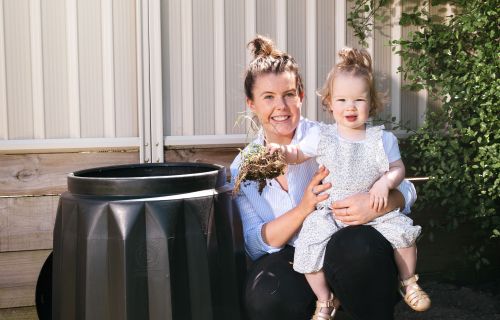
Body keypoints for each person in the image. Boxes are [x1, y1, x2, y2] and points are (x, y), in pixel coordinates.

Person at [230, 35, 417, 320]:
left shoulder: (331, 136)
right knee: (266, 294)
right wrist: (304, 208)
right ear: (252, 104)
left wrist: (378, 201)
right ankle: (326, 301)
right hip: (297, 256)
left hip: (345, 246)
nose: (281, 106)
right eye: (268, 97)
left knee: (356, 247)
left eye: (289, 94)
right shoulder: (244, 165)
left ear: (301, 96)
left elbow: (407, 188)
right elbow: (255, 243)